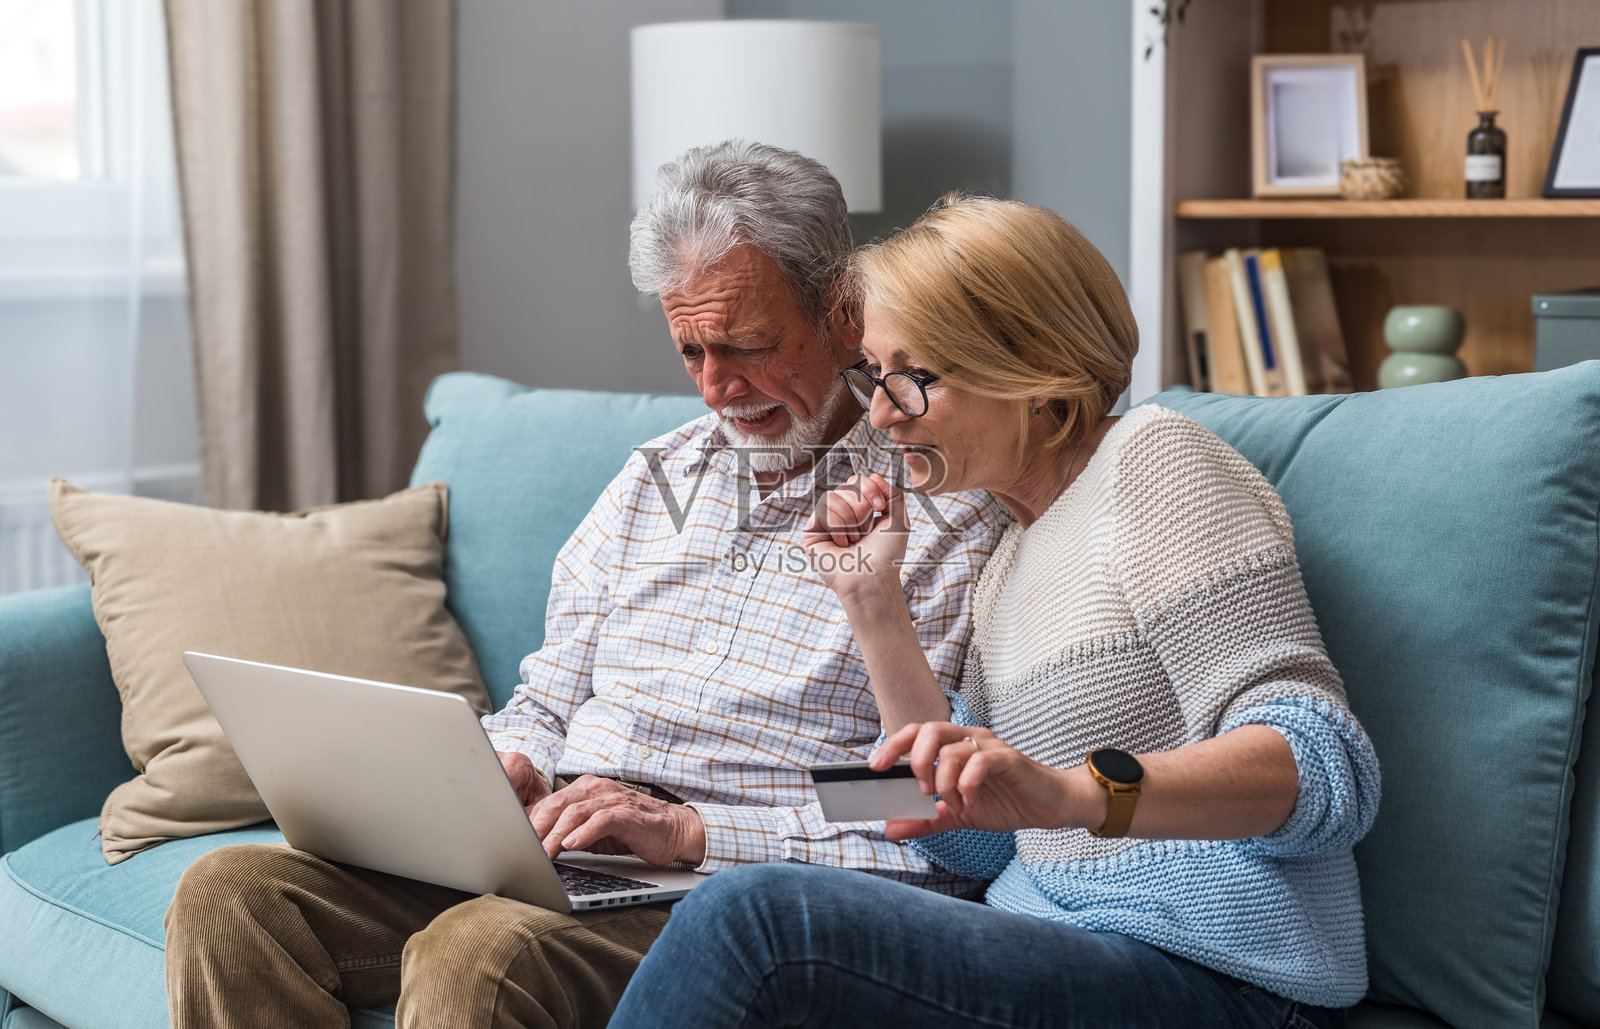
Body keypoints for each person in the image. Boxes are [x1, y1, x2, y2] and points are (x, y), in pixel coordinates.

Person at [162, 145, 1011, 1029]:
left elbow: (931, 807)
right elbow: (550, 693)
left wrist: (691, 830)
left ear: (842, 313)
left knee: (481, 955)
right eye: (691, 350)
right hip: (564, 838)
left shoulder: (941, 511)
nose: (719, 387)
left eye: (747, 346)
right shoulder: (654, 479)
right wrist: (509, 765)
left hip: (724, 879)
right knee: (232, 895)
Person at [608, 196, 1381, 1028]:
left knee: (751, 918)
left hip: (1220, 971)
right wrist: (873, 602)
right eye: (873, 375)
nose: (879, 413)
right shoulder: (1006, 552)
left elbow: (1326, 768)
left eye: (911, 377)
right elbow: (962, 835)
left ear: (1035, 364)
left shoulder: (1155, 463)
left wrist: (1073, 795)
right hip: (1044, 939)